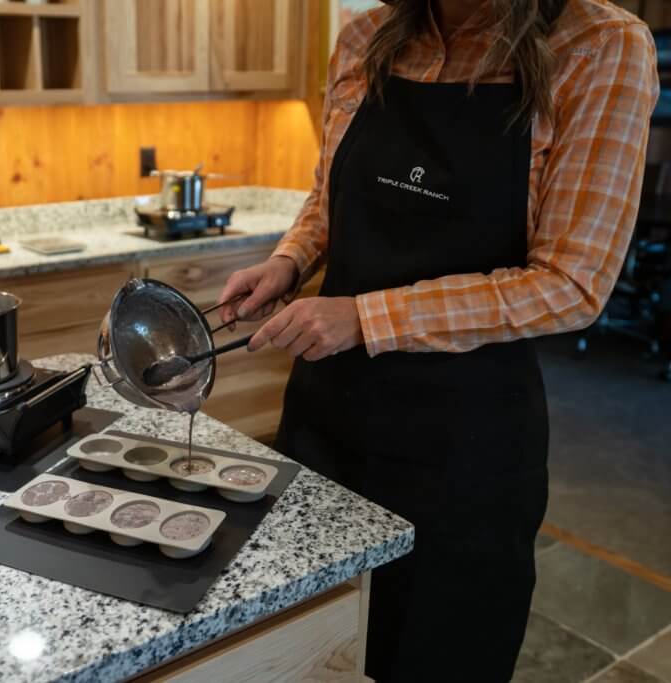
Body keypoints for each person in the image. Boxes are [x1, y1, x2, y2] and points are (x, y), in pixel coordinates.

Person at [217, 0, 659, 680]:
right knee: (310, 648)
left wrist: (364, 317)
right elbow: (326, 201)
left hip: (463, 449)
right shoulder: (366, 37)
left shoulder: (598, 46)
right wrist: (290, 261)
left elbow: (572, 283)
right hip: (325, 421)